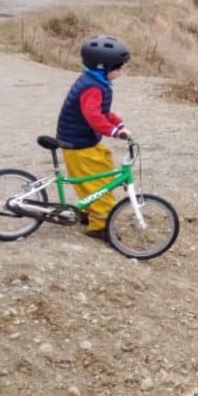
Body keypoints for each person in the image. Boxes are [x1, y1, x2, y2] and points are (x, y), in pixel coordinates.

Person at [56, 35, 134, 243]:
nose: (120, 72)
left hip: (83, 141)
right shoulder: (92, 88)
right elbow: (93, 117)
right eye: (118, 68)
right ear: (103, 67)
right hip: (78, 144)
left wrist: (119, 125)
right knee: (97, 183)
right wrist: (114, 132)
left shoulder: (95, 82)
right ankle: (100, 225)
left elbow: (103, 112)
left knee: (103, 167)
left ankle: (90, 210)